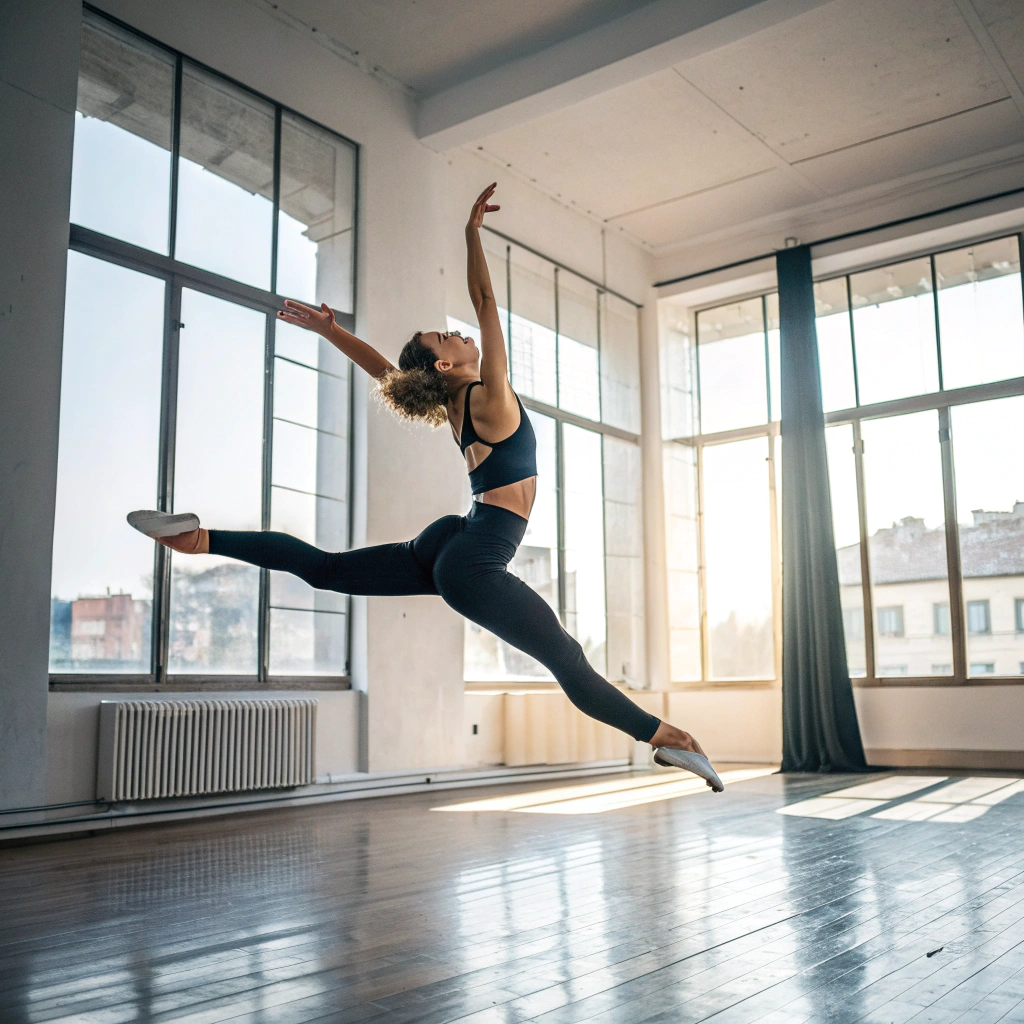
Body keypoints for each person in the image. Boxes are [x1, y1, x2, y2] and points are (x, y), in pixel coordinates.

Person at [128, 184, 723, 792]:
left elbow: (387, 373)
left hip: (453, 542)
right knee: (566, 660)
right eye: (449, 338)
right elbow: (486, 299)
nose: (463, 334)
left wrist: (334, 332)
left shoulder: (458, 406)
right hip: (474, 555)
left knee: (328, 569)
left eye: (456, 332)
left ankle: (199, 538)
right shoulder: (487, 395)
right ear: (445, 366)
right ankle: (670, 739)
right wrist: (470, 233)